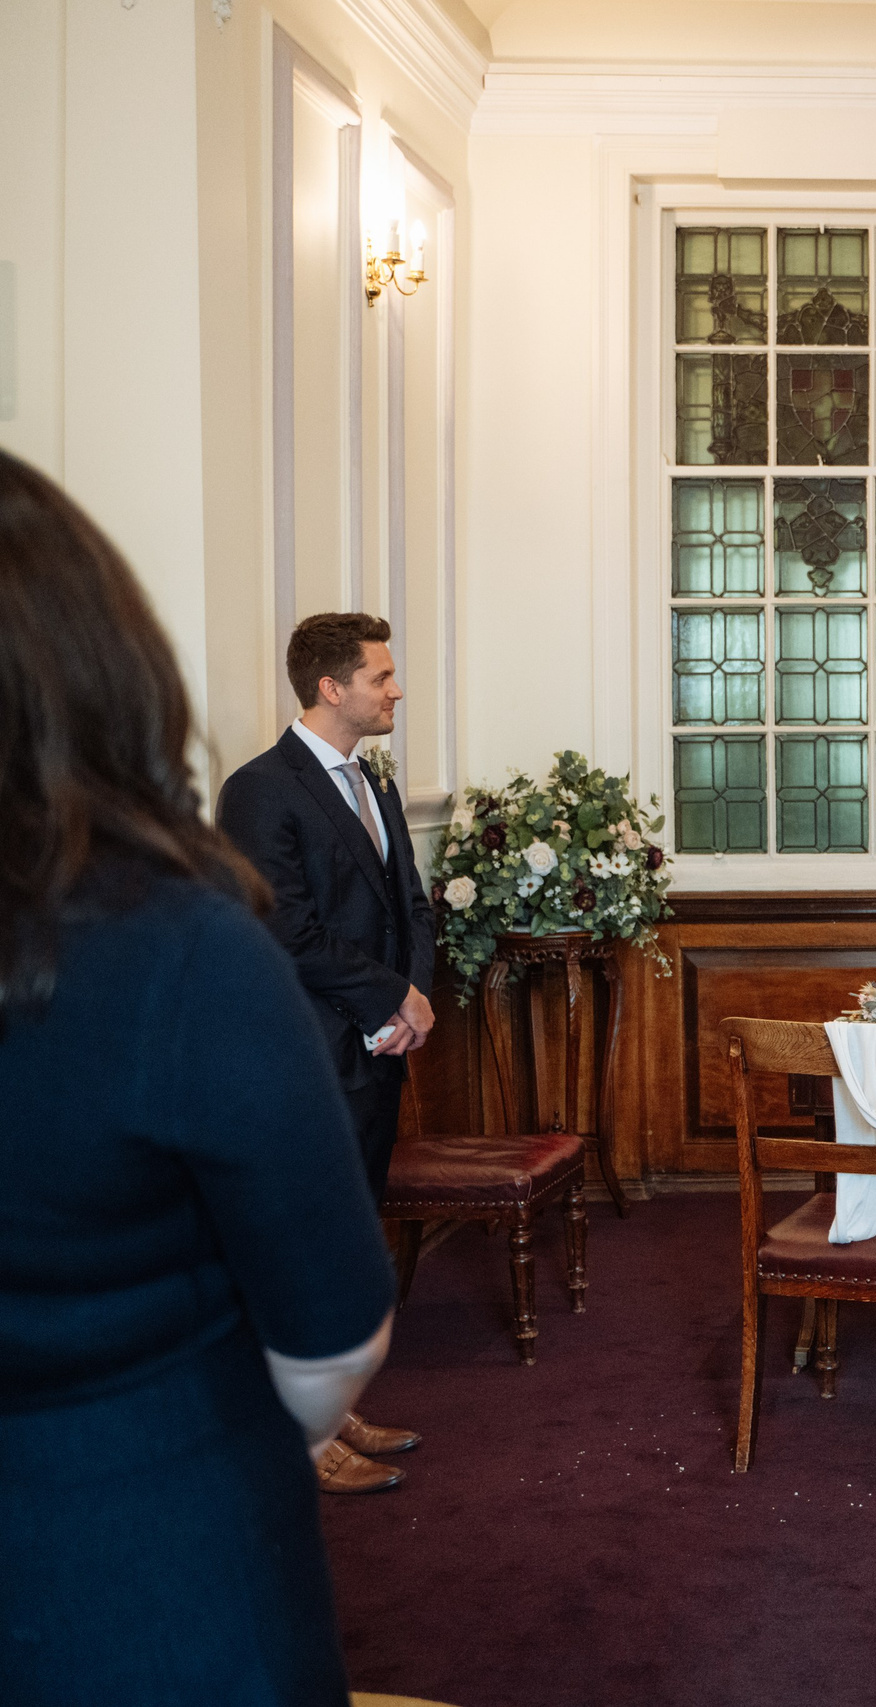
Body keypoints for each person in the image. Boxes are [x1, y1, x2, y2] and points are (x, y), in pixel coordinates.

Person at [0, 450, 399, 1702]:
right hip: (136, 1550)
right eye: (381, 672)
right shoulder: (170, 943)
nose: (396, 688)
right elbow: (330, 1328)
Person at [216, 611, 436, 1495]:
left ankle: (334, 1409)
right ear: (329, 686)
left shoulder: (375, 784)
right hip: (310, 1052)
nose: (396, 689)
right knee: (300, 1246)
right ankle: (298, 1439)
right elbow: (283, 927)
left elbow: (411, 906)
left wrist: (411, 1003)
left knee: (348, 1238)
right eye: (381, 676)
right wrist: (389, 997)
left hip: (381, 1046)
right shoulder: (259, 790)